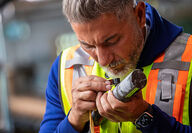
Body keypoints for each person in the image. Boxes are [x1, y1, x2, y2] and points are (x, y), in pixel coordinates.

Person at [39, 0, 192, 132]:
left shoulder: (189, 58)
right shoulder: (66, 67)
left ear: (139, 15)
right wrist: (74, 119)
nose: (103, 61)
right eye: (87, 45)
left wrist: (145, 117)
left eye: (111, 41)